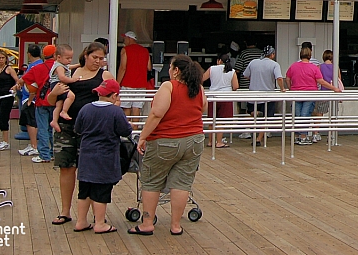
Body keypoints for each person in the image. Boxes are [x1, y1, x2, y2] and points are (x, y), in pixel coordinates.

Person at [130, 54, 206, 236]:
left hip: (166, 139)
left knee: (152, 180)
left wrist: (143, 137)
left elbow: (156, 113)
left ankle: (147, 222)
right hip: (194, 139)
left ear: (176, 70)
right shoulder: (199, 89)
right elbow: (202, 109)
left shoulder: (168, 86)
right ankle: (176, 225)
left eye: (171, 67)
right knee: (182, 182)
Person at [48, 42, 114, 226]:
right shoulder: (69, 73)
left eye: (102, 59)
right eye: (95, 58)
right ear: (86, 55)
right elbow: (51, 99)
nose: (98, 62)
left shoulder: (105, 75)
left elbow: (114, 97)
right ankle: (65, 211)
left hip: (92, 129)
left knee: (91, 172)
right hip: (67, 126)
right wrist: (54, 92)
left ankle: (96, 215)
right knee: (66, 167)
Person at [72, 79, 132, 234]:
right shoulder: (115, 112)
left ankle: (81, 221)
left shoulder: (86, 109)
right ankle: (99, 223)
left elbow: (77, 128)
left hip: (86, 155)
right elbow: (125, 131)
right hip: (105, 157)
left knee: (84, 190)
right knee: (101, 190)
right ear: (114, 96)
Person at [285, 46, 339, 145]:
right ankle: (303, 136)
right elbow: (321, 81)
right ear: (310, 55)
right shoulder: (313, 67)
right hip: (310, 94)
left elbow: (287, 78)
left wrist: (290, 89)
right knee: (305, 115)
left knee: (297, 115)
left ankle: (297, 136)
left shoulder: (293, 66)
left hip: (296, 94)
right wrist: (334, 88)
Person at [21, 45, 58, 163]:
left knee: (42, 128)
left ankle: (44, 155)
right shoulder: (60, 67)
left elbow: (24, 80)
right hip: (57, 101)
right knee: (54, 128)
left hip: (41, 101)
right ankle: (54, 153)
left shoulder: (37, 68)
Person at [243, 46, 284, 143]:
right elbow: (279, 78)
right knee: (267, 118)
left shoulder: (253, 62)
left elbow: (245, 75)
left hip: (253, 94)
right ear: (272, 54)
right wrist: (282, 88)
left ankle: (251, 127)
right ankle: (258, 138)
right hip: (268, 95)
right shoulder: (274, 64)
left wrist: (254, 79)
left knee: (251, 113)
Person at [202, 52, 238, 148]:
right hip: (225, 97)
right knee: (221, 121)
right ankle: (219, 141)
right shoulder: (232, 71)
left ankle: (210, 141)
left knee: (211, 119)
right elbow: (235, 86)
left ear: (219, 61)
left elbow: (201, 78)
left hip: (213, 96)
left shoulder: (212, 68)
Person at [116, 31, 152, 117]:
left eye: (124, 38)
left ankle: (127, 128)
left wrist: (117, 83)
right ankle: (135, 128)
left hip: (127, 83)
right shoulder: (145, 51)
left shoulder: (125, 50)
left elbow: (122, 68)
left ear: (129, 39)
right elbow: (149, 67)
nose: (124, 41)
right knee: (137, 107)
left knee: (126, 107)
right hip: (141, 84)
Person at [16, 43, 41, 155]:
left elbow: (34, 84)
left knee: (31, 123)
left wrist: (30, 98)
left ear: (29, 54)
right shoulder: (41, 64)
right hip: (30, 97)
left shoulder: (34, 66)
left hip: (30, 98)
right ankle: (33, 144)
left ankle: (34, 146)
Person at [316, 50, 344, 139]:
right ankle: (332, 133)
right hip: (334, 92)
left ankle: (316, 133)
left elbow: (317, 80)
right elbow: (339, 79)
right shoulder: (336, 67)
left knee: (320, 113)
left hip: (323, 92)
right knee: (333, 113)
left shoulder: (319, 67)